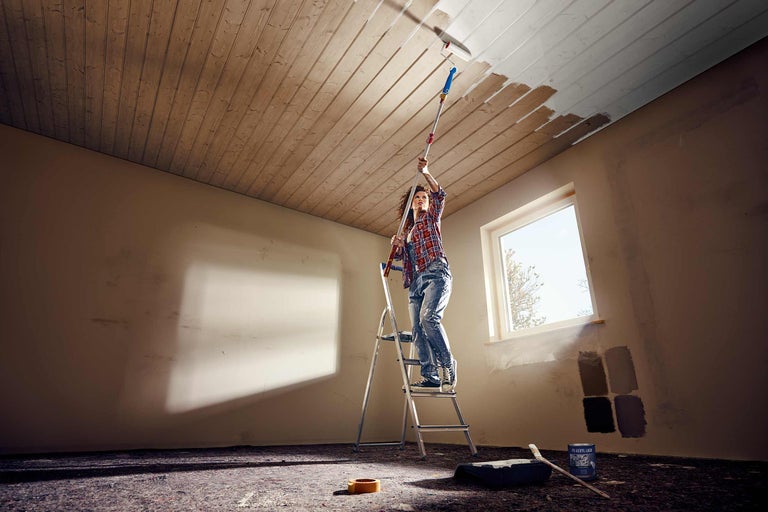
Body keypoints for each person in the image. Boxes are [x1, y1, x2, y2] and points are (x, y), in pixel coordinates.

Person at [391, 157, 457, 392]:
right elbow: (405, 260)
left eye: (423, 198)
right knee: (418, 330)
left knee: (429, 319)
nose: (420, 200)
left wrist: (427, 173)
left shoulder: (431, 219)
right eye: (416, 198)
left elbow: (440, 195)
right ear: (411, 205)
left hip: (435, 272)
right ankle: (430, 376)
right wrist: (399, 246)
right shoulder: (408, 231)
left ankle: (448, 364)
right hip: (415, 283)